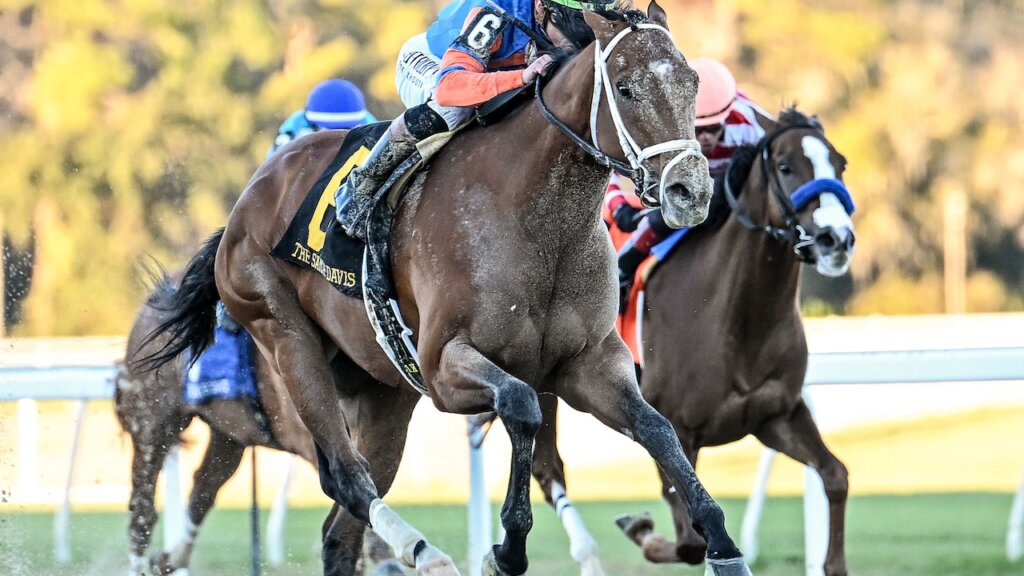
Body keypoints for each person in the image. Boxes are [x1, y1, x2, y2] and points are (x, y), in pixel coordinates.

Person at [334, 0, 617, 242]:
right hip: (433, 64)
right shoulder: (494, 13)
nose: (580, 40)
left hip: (495, 69)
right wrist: (520, 78)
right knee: (456, 110)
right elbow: (449, 88)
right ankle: (362, 187)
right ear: (542, 9)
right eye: (575, 24)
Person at [608, 56, 772, 311]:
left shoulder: (751, 124)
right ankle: (622, 269)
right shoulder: (661, 123)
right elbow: (609, 165)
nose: (706, 138)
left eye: (715, 128)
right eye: (697, 130)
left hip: (733, 191)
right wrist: (618, 205)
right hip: (681, 193)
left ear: (728, 115)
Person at [267, 78, 378, 158]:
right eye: (329, 129)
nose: (339, 135)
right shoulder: (296, 126)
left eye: (347, 128)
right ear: (311, 123)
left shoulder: (370, 125)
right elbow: (273, 166)